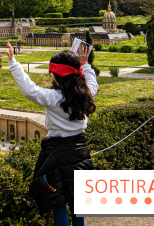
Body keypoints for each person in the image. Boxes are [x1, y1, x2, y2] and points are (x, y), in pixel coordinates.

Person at [6, 42, 98, 226]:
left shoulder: (53, 98)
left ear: (56, 77)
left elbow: (29, 89)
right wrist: (85, 63)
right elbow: (92, 80)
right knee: (77, 203)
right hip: (80, 151)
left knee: (59, 202)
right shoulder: (86, 93)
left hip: (56, 154)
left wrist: (13, 62)